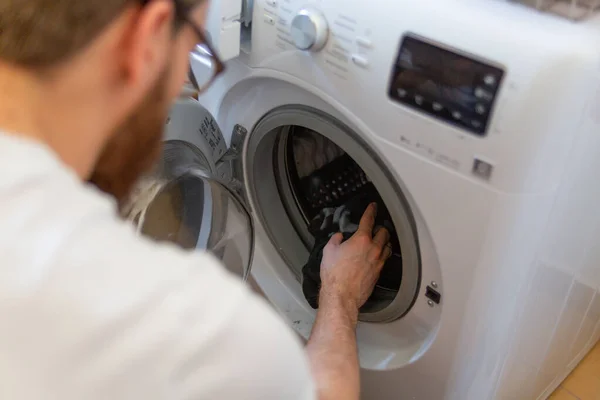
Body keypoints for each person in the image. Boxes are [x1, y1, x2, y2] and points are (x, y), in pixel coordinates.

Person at [0, 0, 391, 399]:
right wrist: (339, 296)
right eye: (190, 52)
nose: (185, 88)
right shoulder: (186, 325)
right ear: (150, 36)